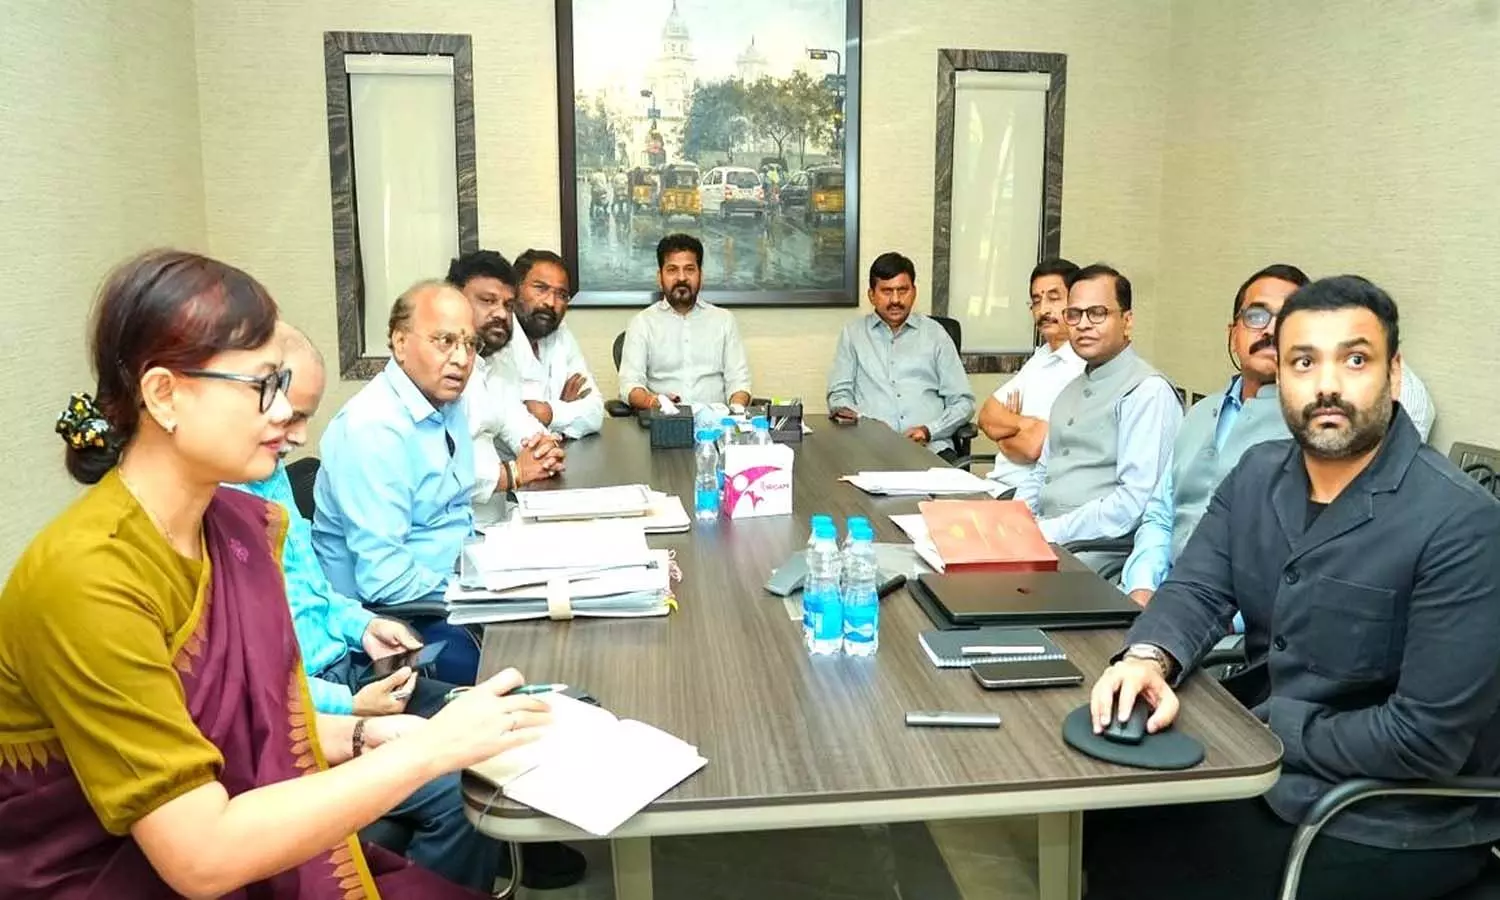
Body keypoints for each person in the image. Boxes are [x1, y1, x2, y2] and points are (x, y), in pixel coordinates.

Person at [0, 249, 552, 898]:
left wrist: (365, 733)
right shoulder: (89, 581)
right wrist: (428, 751)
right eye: (264, 385)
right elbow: (200, 857)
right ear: (164, 395)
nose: (285, 413)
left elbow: (256, 722)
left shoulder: (239, 527)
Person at [1085, 275, 1500, 900]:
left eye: (1354, 360)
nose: (1327, 385)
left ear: (1392, 375)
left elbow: (1425, 740)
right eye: (1304, 362)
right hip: (1262, 771)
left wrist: (1263, 726)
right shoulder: (1256, 473)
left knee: (1158, 863)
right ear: (1279, 374)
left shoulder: (1461, 522)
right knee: (1105, 816)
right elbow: (1197, 588)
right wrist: (1148, 658)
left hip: (1388, 814)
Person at [231, 323, 585, 892]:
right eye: (287, 415)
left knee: (533, 713)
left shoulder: (266, 478)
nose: (298, 436)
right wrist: (351, 706)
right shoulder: (216, 514)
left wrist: (363, 626)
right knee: (468, 781)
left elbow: (314, 593)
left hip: (348, 668)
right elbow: (251, 684)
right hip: (315, 702)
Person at [312, 280, 485, 683]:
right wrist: (480, 594)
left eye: (470, 344)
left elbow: (455, 515)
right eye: (445, 341)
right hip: (391, 622)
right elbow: (385, 579)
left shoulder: (446, 404)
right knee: (520, 660)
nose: (462, 359)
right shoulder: (372, 428)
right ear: (400, 342)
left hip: (447, 588)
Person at [1119, 264, 1304, 605]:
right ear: (1233, 333)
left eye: (1288, 319)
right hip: (1162, 599)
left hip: (1237, 621)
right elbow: (1161, 516)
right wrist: (1142, 586)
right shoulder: (1201, 414)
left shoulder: (1309, 430)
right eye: (1257, 316)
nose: (1270, 329)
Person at [1014, 264, 1182, 560]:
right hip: (1045, 539)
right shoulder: (1069, 391)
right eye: (1074, 314)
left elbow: (1134, 504)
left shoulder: (1147, 392)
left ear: (1127, 321)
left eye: (1097, 313)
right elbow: (1041, 473)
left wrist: (1046, 532)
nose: (1083, 324)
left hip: (1093, 551)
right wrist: (1012, 521)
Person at [447, 251, 565, 526]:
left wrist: (544, 447)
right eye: (487, 301)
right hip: (455, 531)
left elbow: (516, 420)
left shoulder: (498, 359)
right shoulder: (437, 371)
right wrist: (513, 473)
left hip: (500, 521)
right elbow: (437, 469)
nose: (501, 313)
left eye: (508, 305)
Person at [826, 251, 975, 459]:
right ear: (871, 295)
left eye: (902, 290)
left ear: (914, 292)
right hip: (869, 451)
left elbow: (963, 402)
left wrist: (929, 430)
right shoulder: (853, 335)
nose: (895, 300)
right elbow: (838, 396)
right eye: (887, 291)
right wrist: (867, 424)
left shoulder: (936, 334)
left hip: (931, 449)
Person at [977, 258, 1086, 493]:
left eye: (1053, 298)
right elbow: (986, 416)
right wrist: (1024, 423)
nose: (1043, 310)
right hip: (995, 486)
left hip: (1024, 495)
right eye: (1036, 301)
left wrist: (1003, 433)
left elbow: (1032, 448)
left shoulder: (1080, 368)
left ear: (1076, 303)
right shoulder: (1042, 356)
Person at [619, 233, 753, 411]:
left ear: (701, 276)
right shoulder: (642, 323)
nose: (681, 278)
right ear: (659, 277)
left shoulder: (724, 320)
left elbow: (739, 382)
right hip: (664, 421)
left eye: (689, 269)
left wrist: (735, 412)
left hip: (716, 422)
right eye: (672, 270)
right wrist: (654, 402)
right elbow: (629, 386)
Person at [506, 249, 604, 439]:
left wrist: (549, 412)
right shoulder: (499, 336)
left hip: (554, 453)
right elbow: (510, 423)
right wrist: (566, 411)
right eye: (541, 288)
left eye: (561, 294)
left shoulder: (560, 332)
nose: (551, 303)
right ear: (515, 289)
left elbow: (596, 412)